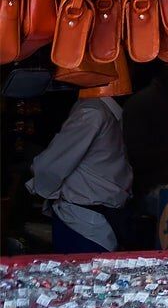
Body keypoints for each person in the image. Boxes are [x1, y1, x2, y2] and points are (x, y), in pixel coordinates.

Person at [27, 76, 135, 254]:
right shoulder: (99, 112)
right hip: (94, 217)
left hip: (84, 221)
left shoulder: (92, 112)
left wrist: (40, 187)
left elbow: (49, 166)